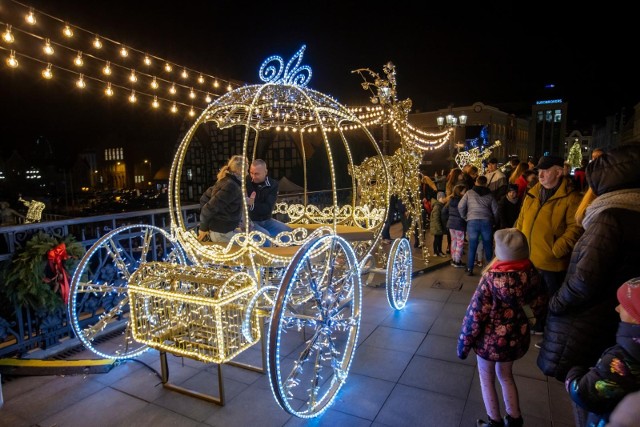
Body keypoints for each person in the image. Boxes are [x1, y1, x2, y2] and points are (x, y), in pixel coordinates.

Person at [536, 145, 640, 426]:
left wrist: (555, 303)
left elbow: (584, 279)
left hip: (589, 321)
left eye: (546, 170)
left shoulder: (608, 217)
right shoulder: (625, 211)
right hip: (610, 318)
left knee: (587, 393)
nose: (540, 175)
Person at [458, 228, 547, 427]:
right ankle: (515, 419)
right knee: (506, 376)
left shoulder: (490, 280)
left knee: (486, 377)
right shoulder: (532, 274)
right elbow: (539, 306)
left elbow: (475, 315)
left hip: (488, 344)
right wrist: (527, 324)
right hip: (514, 341)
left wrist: (463, 345)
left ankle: (495, 421)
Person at [514, 155, 583, 334]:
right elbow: (521, 219)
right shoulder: (533, 192)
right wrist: (516, 240)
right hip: (528, 258)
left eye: (546, 171)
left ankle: (548, 330)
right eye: (539, 171)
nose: (541, 175)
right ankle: (532, 324)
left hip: (551, 262)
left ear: (559, 172)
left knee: (550, 299)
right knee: (525, 297)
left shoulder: (571, 197)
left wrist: (556, 249)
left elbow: (575, 228)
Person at [564, 277, 640, 427]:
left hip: (605, 418)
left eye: (624, 305)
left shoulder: (622, 358)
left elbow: (583, 393)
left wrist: (574, 372)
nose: (617, 308)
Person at [198, 155, 248, 243]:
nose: (247, 173)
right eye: (246, 170)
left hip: (224, 231)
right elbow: (208, 209)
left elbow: (204, 198)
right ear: (240, 171)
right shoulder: (232, 186)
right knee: (253, 248)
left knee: (252, 242)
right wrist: (203, 228)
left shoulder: (224, 181)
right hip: (222, 233)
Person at [459, 175, 499, 276]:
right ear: (485, 183)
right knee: (488, 246)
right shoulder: (490, 195)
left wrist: (465, 216)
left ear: (476, 182)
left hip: (472, 222)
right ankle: (489, 270)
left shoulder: (469, 193)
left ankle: (469, 269)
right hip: (487, 222)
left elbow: (460, 206)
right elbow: (496, 210)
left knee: (472, 246)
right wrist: (495, 221)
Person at [246, 158, 292, 243]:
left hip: (266, 220)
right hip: (251, 221)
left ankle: (284, 254)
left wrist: (252, 205)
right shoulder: (246, 181)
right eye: (251, 173)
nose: (253, 177)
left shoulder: (273, 185)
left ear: (265, 172)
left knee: (288, 232)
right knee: (265, 237)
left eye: (256, 174)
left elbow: (267, 208)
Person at [443, 184, 467, 268]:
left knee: (454, 241)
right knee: (460, 242)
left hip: (451, 224)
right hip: (459, 224)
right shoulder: (462, 201)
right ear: (460, 192)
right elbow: (464, 212)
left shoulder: (450, 200)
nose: (465, 192)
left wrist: (449, 219)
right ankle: (457, 261)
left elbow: (443, 211)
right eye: (464, 191)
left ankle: (453, 259)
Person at [429, 192, 447, 257]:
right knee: (437, 239)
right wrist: (439, 227)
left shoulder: (440, 205)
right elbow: (436, 218)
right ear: (440, 198)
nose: (445, 199)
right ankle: (436, 252)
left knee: (439, 239)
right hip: (437, 226)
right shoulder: (437, 206)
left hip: (438, 226)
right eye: (444, 198)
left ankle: (438, 251)